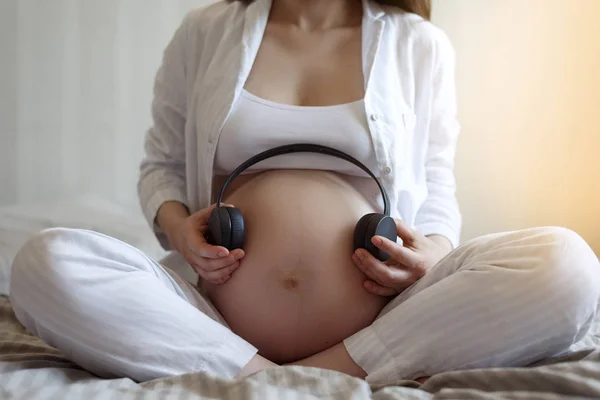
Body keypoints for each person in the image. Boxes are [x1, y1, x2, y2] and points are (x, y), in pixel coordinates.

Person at [9, 0, 600, 386]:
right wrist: (178, 226)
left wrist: (434, 254)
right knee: (45, 264)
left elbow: (438, 183)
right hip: (213, 310)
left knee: (568, 267)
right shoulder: (206, 32)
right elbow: (160, 165)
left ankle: (315, 373)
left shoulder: (418, 44)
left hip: (384, 311)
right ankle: (262, 371)